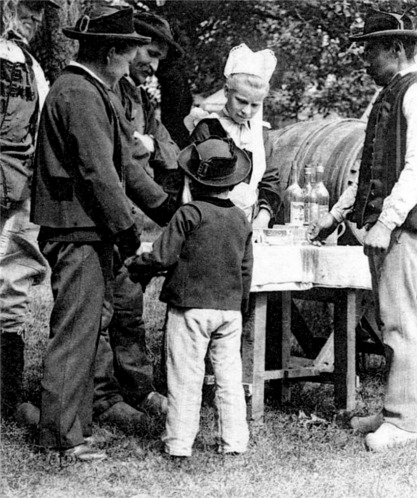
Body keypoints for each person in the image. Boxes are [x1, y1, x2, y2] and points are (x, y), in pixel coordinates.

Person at [31, 8, 172, 461]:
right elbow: (99, 175)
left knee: (89, 329)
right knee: (75, 332)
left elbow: (126, 167)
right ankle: (64, 437)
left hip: (88, 231)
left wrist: (169, 209)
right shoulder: (78, 94)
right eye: (130, 56)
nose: (133, 66)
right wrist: (130, 236)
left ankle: (74, 423)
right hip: (76, 232)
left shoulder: (93, 91)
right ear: (111, 53)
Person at [310, 10, 417, 451]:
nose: (365, 59)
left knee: (397, 322)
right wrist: (337, 214)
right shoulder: (391, 94)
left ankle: (404, 423)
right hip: (387, 226)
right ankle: (407, 408)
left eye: (370, 49)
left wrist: (386, 222)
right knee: (395, 318)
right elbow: (369, 170)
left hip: (405, 227)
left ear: (395, 47)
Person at [127, 137, 253, 458]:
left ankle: (179, 444)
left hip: (190, 307)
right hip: (229, 311)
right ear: (233, 181)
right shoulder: (241, 219)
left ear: (191, 180)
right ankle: (235, 442)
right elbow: (246, 269)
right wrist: (241, 308)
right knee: (229, 379)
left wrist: (136, 268)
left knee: (185, 376)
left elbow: (162, 257)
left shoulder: (189, 214)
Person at [92, 9, 185, 419]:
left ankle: (136, 389)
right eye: (148, 52)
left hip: (136, 209)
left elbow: (166, 150)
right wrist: (141, 146)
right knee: (101, 308)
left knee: (129, 305)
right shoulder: (104, 90)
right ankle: (102, 395)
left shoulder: (140, 96)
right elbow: (124, 157)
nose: (153, 64)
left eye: (160, 57)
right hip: (105, 212)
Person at [184, 43, 282, 393]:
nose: (247, 111)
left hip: (248, 225)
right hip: (210, 222)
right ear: (227, 93)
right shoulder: (207, 128)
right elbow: (199, 180)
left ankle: (240, 377)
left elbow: (270, 181)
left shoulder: (262, 133)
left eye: (255, 105)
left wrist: (263, 216)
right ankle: (195, 375)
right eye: (241, 102)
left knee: (243, 297)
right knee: (208, 298)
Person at [0, 0, 59, 422]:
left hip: (15, 189)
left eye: (40, 10)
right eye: (25, 6)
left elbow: (41, 130)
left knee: (11, 284)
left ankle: (7, 396)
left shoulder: (32, 66)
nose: (33, 18)